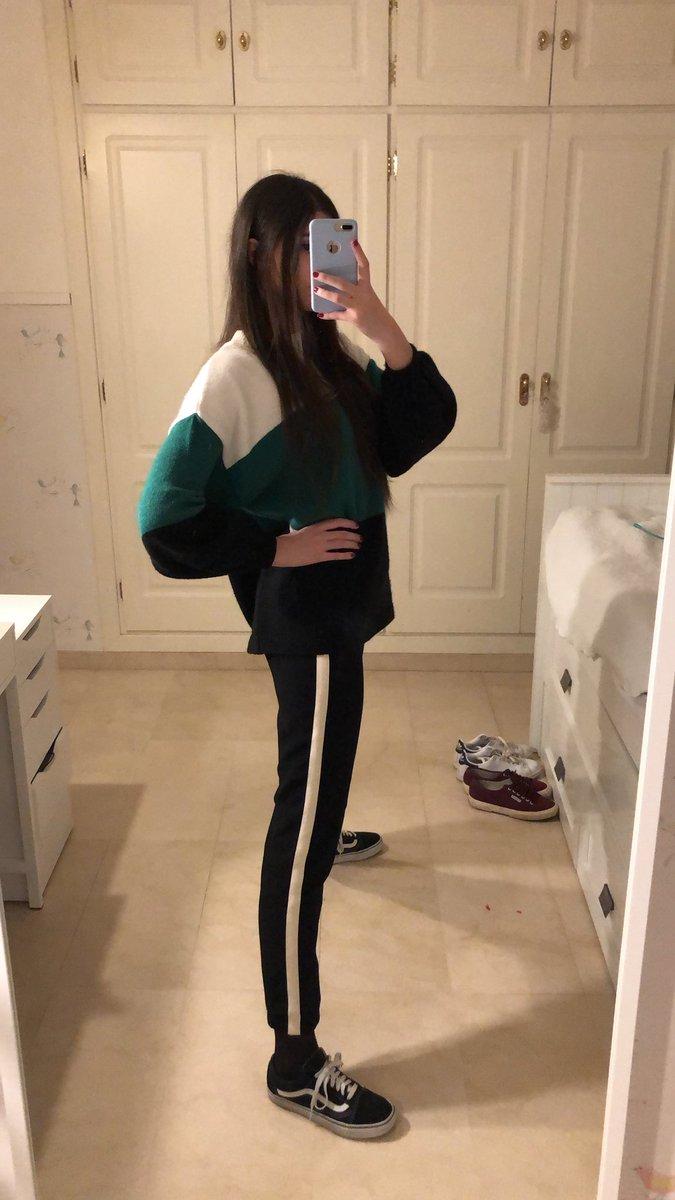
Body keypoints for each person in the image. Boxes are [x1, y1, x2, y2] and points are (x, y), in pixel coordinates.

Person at [136, 173, 457, 1140]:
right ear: (257, 252)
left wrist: (375, 317)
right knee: (298, 821)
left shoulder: (329, 353)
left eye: (333, 238)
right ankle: (292, 1059)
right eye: (305, 240)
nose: (323, 256)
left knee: (321, 780)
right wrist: (271, 546)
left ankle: (329, 822)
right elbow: (163, 523)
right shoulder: (234, 375)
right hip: (308, 620)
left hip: (340, 607)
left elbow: (416, 428)